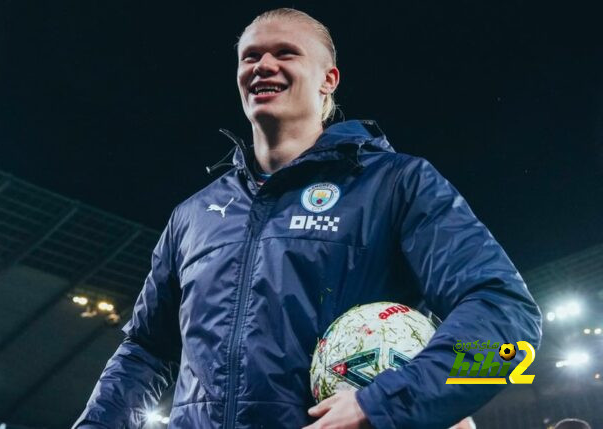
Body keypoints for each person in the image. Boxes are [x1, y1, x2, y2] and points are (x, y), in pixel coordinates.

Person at [73, 8, 542, 429]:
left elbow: (509, 333)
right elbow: (146, 351)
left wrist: (386, 405)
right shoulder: (192, 216)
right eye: (250, 56)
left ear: (328, 80)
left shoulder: (397, 185)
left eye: (285, 53)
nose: (263, 66)